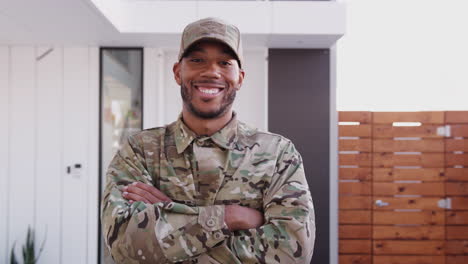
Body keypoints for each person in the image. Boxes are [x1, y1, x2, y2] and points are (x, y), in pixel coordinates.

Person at [101, 17, 315, 264]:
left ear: (240, 77)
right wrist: (230, 217)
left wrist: (174, 222)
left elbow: (291, 253)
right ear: (177, 72)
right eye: (197, 60)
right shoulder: (139, 150)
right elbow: (123, 247)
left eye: (224, 62)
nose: (212, 71)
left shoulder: (277, 154)